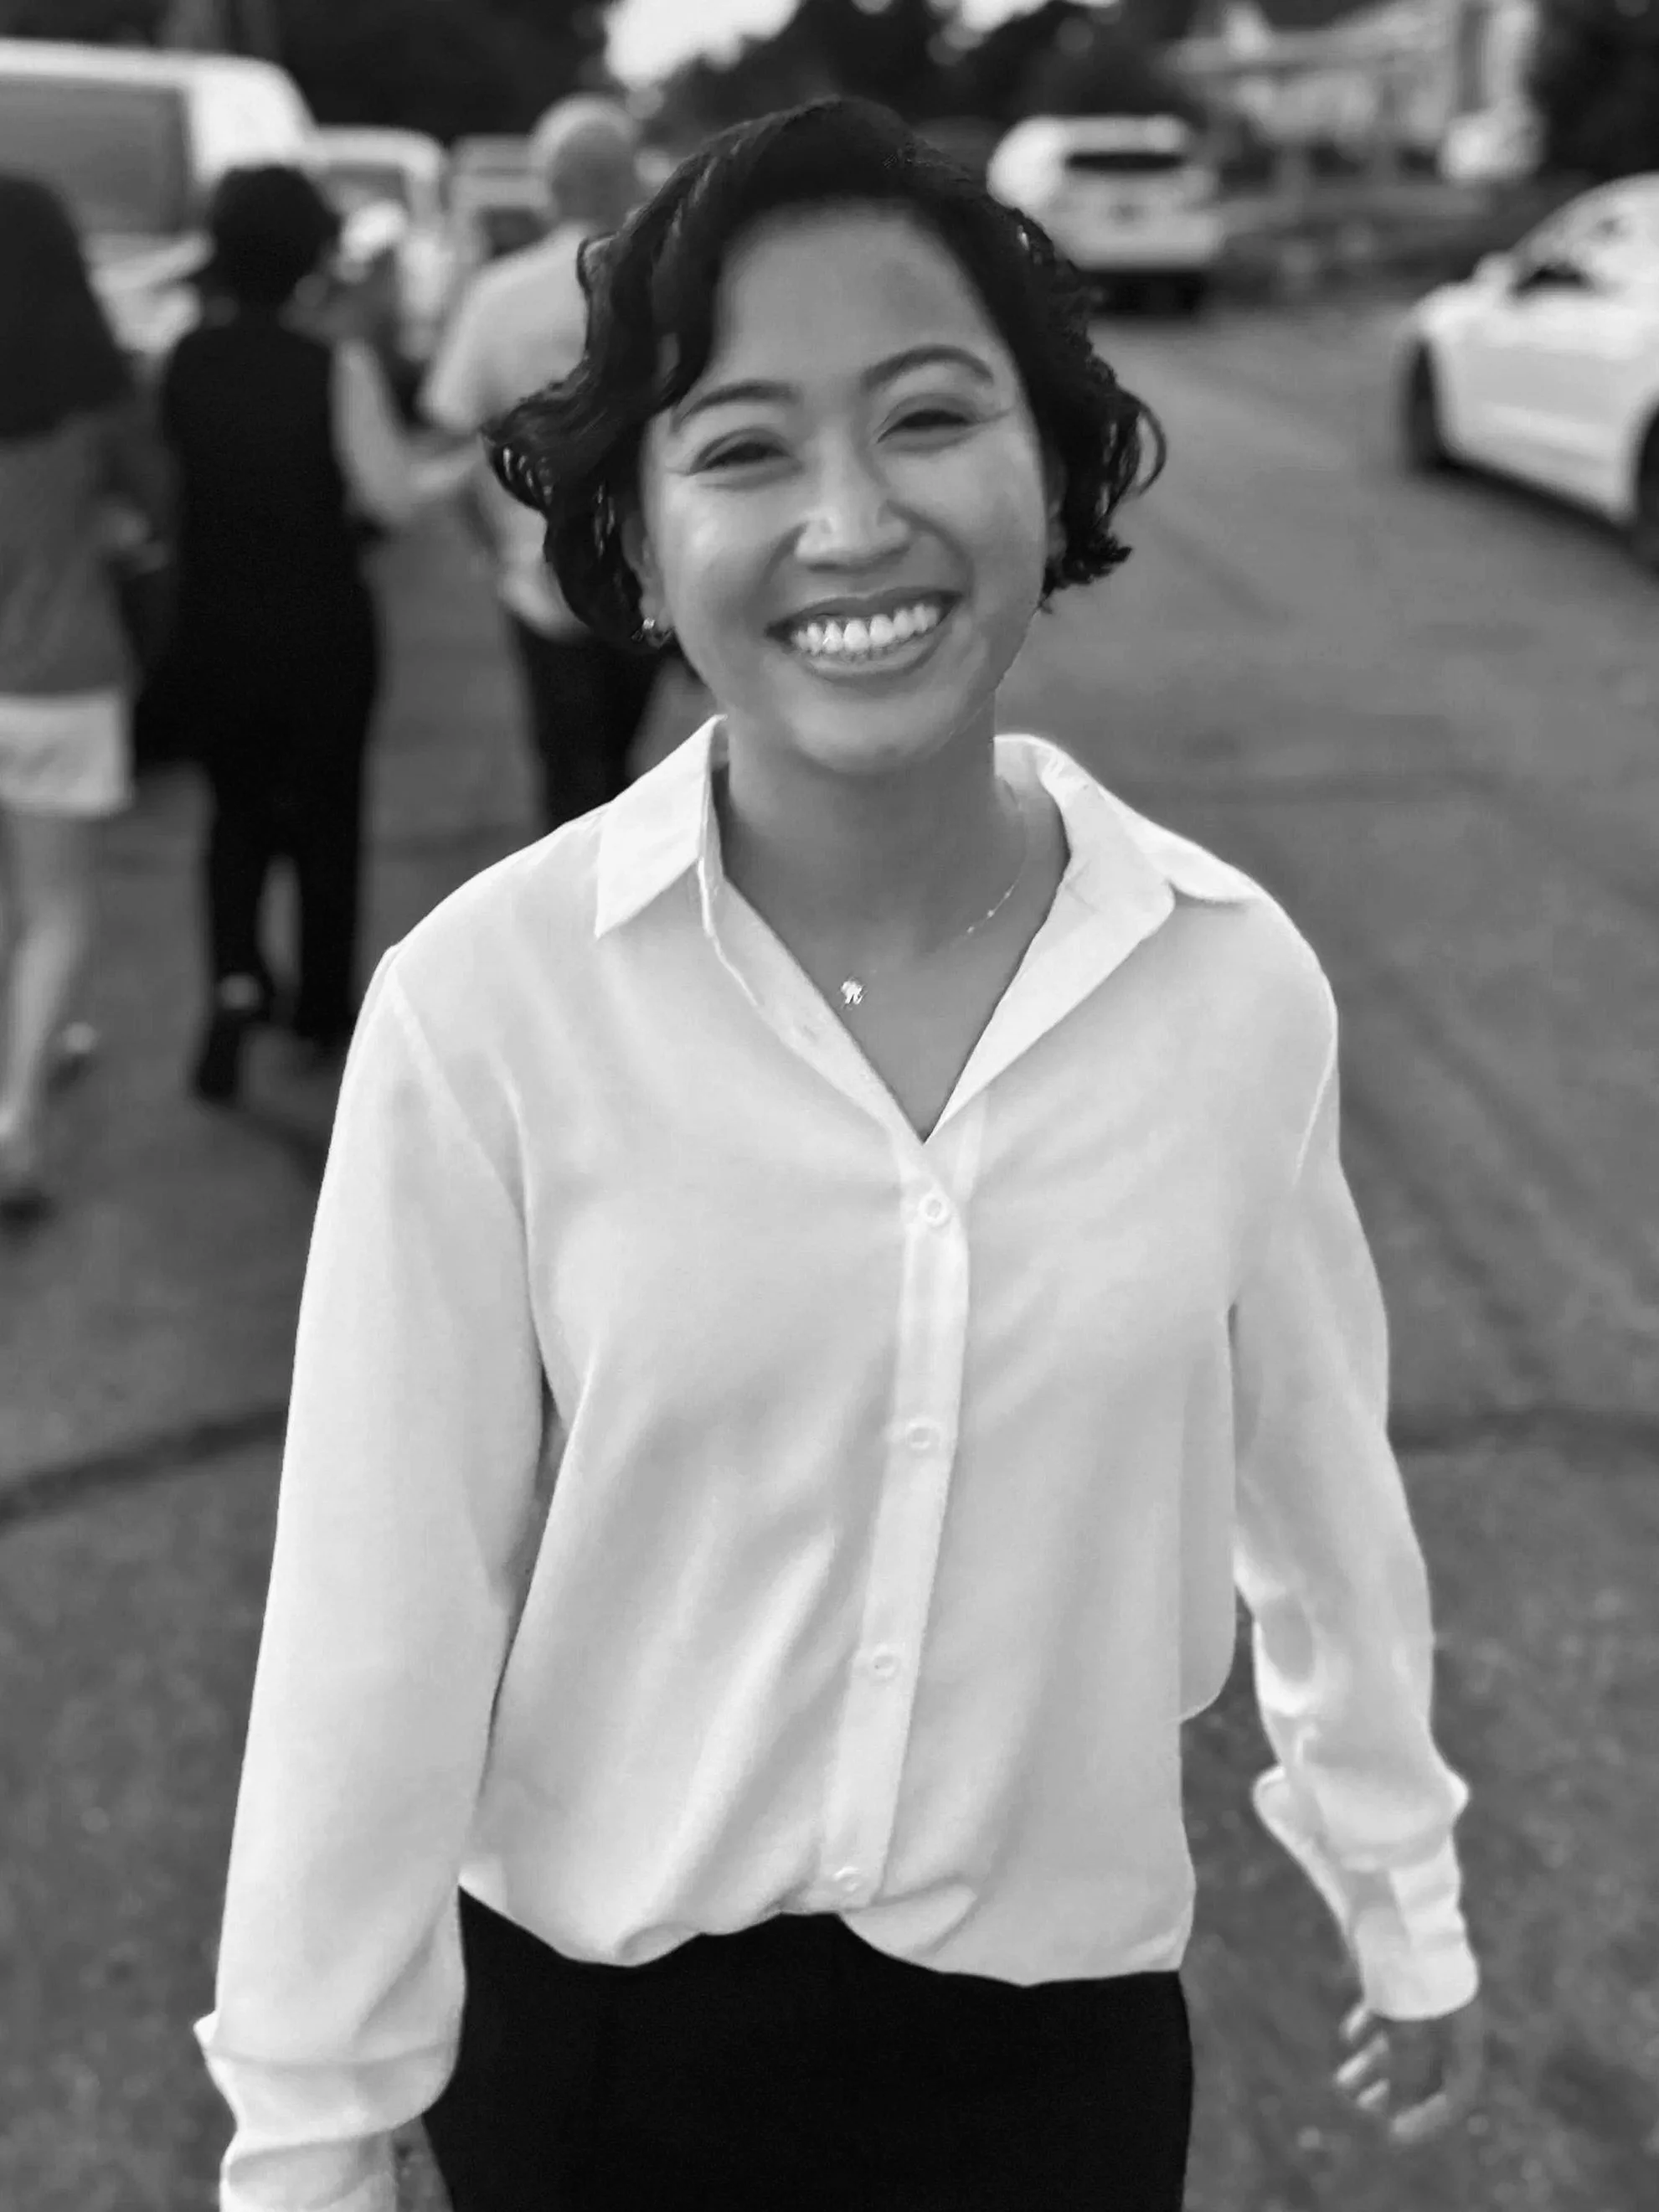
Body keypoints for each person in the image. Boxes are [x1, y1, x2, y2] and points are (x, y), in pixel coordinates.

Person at [193, 99, 1486, 2212]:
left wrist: (1398, 1881)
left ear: (1051, 461)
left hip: (1051, 2069)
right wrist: (317, 2134)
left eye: (927, 415)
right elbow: (377, 1619)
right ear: (629, 530)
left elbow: (1316, 1482)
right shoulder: (490, 1011)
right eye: (743, 449)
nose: (851, 518)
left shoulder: (1231, 990)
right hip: (587, 2071)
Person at [158, 165, 430, 1106]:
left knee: (233, 815)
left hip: (212, 628)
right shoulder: (335, 368)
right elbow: (389, 496)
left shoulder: (181, 361)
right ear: (315, 255)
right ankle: (322, 1011)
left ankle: (235, 982)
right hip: (319, 628)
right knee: (326, 820)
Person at [420, 96, 664, 833]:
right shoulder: (673, 291)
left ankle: (565, 920)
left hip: (537, 571)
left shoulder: (499, 296)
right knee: (619, 761)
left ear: (546, 185)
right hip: (652, 564)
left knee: (565, 771)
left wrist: (491, 548)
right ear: (631, 180)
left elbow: (453, 436)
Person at [0, 173, 170, 1222]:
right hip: (61, 673)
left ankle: (33, 1045)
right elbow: (151, 508)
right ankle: (17, 1116)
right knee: (57, 906)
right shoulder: (95, 395)